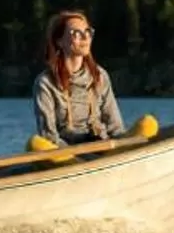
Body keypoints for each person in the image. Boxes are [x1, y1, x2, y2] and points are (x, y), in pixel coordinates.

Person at [33, 9, 127, 146]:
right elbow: (48, 136)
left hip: (102, 147)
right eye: (76, 33)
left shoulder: (100, 76)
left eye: (88, 32)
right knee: (36, 144)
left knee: (147, 124)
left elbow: (115, 127)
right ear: (59, 41)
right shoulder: (45, 83)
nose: (85, 37)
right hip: (66, 153)